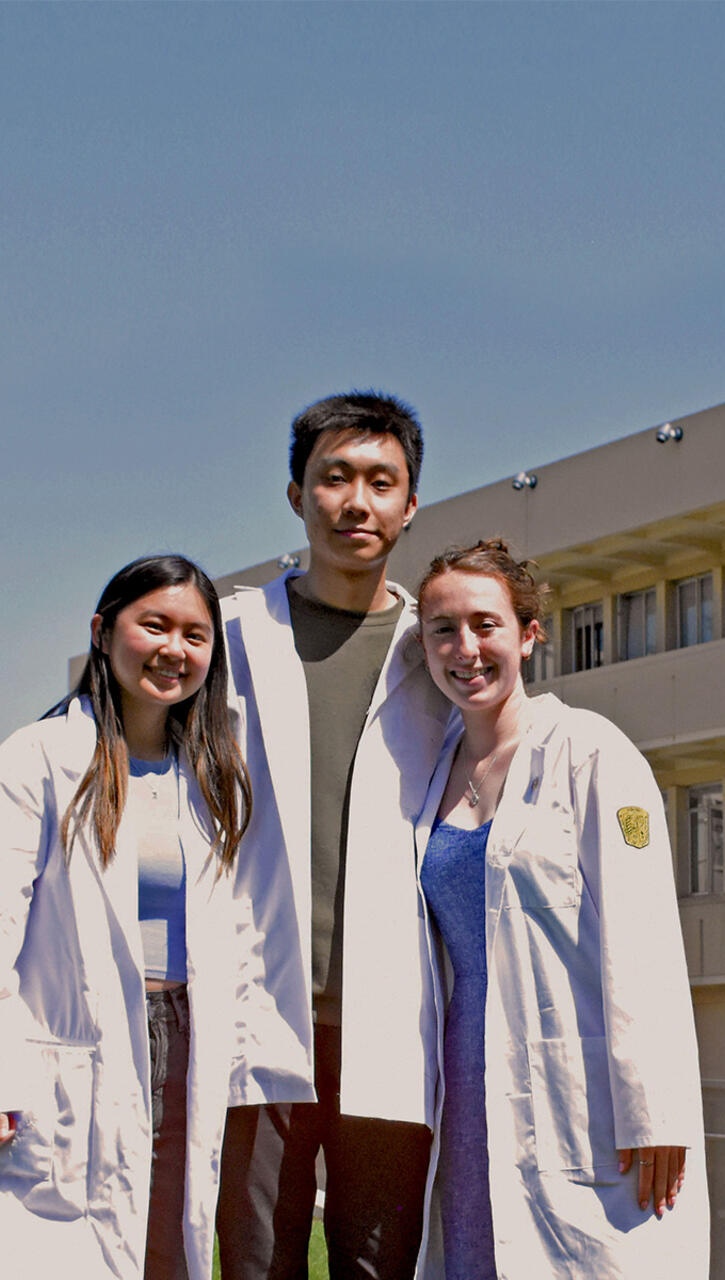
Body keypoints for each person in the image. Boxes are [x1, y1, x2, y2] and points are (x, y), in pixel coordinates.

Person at [0, 554, 295, 1280]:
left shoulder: (212, 772)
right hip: (74, 1039)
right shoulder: (39, 759)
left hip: (190, 1040)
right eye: (154, 625)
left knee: (166, 1247)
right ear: (102, 630)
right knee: (55, 1247)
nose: (173, 650)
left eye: (194, 634)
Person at [413, 540, 710, 1279]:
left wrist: (655, 1110)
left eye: (486, 625)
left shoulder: (590, 752)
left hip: (583, 1089)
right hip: (467, 1085)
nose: (465, 648)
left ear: (529, 634)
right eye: (442, 630)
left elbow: (643, 935)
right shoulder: (430, 767)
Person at [216, 392, 454, 1280]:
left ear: (410, 504)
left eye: (381, 482)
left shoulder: (436, 649)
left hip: (391, 1021)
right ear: (296, 494)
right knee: (253, 1260)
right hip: (261, 1013)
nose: (357, 502)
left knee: (376, 1264)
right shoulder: (232, 635)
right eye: (335, 478)